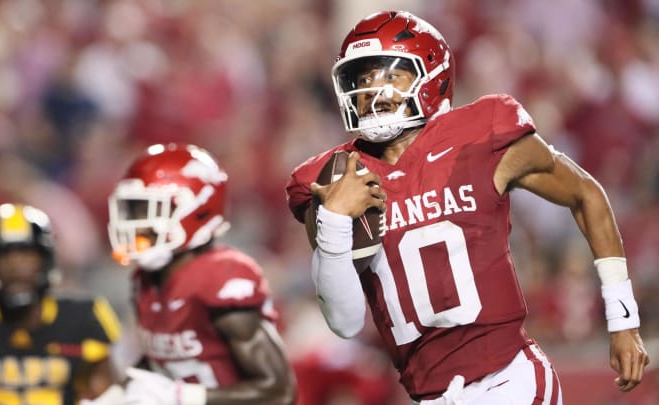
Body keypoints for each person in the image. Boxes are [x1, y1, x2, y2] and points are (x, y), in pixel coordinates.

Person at [285, 10, 650, 404]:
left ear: (431, 76)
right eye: (364, 79)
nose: (374, 91)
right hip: (429, 396)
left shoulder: (480, 136)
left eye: (391, 76)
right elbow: (345, 322)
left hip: (509, 381)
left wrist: (623, 319)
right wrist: (336, 221)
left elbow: (586, 194)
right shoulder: (335, 179)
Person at [105, 143, 296, 405]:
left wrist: (182, 397)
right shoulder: (146, 281)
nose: (137, 224)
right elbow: (163, 360)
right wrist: (118, 395)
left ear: (196, 207)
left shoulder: (219, 278)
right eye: (134, 210)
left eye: (150, 210)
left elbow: (279, 392)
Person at [0, 203, 123, 405]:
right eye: (5, 255)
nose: (16, 266)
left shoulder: (83, 318)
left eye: (27, 255)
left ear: (46, 260)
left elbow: (109, 397)